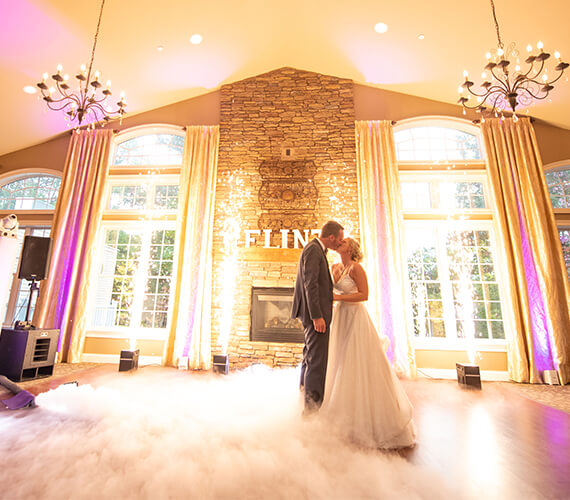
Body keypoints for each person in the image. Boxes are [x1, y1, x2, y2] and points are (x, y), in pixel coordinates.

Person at [321, 237, 416, 448]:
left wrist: (338, 299)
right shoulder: (335, 267)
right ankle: (341, 417)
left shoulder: (357, 269)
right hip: (340, 318)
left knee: (356, 360)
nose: (340, 243)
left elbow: (364, 295)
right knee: (339, 359)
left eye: (344, 242)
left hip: (356, 317)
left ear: (351, 248)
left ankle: (371, 421)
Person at [292, 220, 344, 414]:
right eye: (338, 240)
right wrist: (317, 316)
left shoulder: (316, 249)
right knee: (317, 361)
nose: (339, 243)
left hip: (315, 314)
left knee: (310, 356)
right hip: (316, 316)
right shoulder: (314, 250)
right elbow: (310, 284)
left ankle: (304, 397)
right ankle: (312, 410)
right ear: (330, 237)